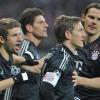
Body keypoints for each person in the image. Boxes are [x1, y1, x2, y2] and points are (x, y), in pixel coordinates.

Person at [39, 15, 86, 100]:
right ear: (68, 34)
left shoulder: (60, 52)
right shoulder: (62, 58)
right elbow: (46, 89)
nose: (84, 35)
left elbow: (62, 89)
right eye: (80, 30)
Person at [11, 7, 48, 100]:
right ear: (29, 27)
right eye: (41, 22)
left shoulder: (32, 49)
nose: (46, 25)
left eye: (45, 22)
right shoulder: (24, 47)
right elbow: (12, 70)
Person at [0, 18, 38, 100]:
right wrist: (18, 78)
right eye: (14, 35)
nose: (20, 39)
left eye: (20, 34)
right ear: (2, 39)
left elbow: (36, 67)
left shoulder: (9, 58)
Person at [72, 3, 100, 100]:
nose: (94, 22)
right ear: (83, 17)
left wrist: (80, 81)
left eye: (99, 19)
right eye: (91, 17)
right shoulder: (71, 40)